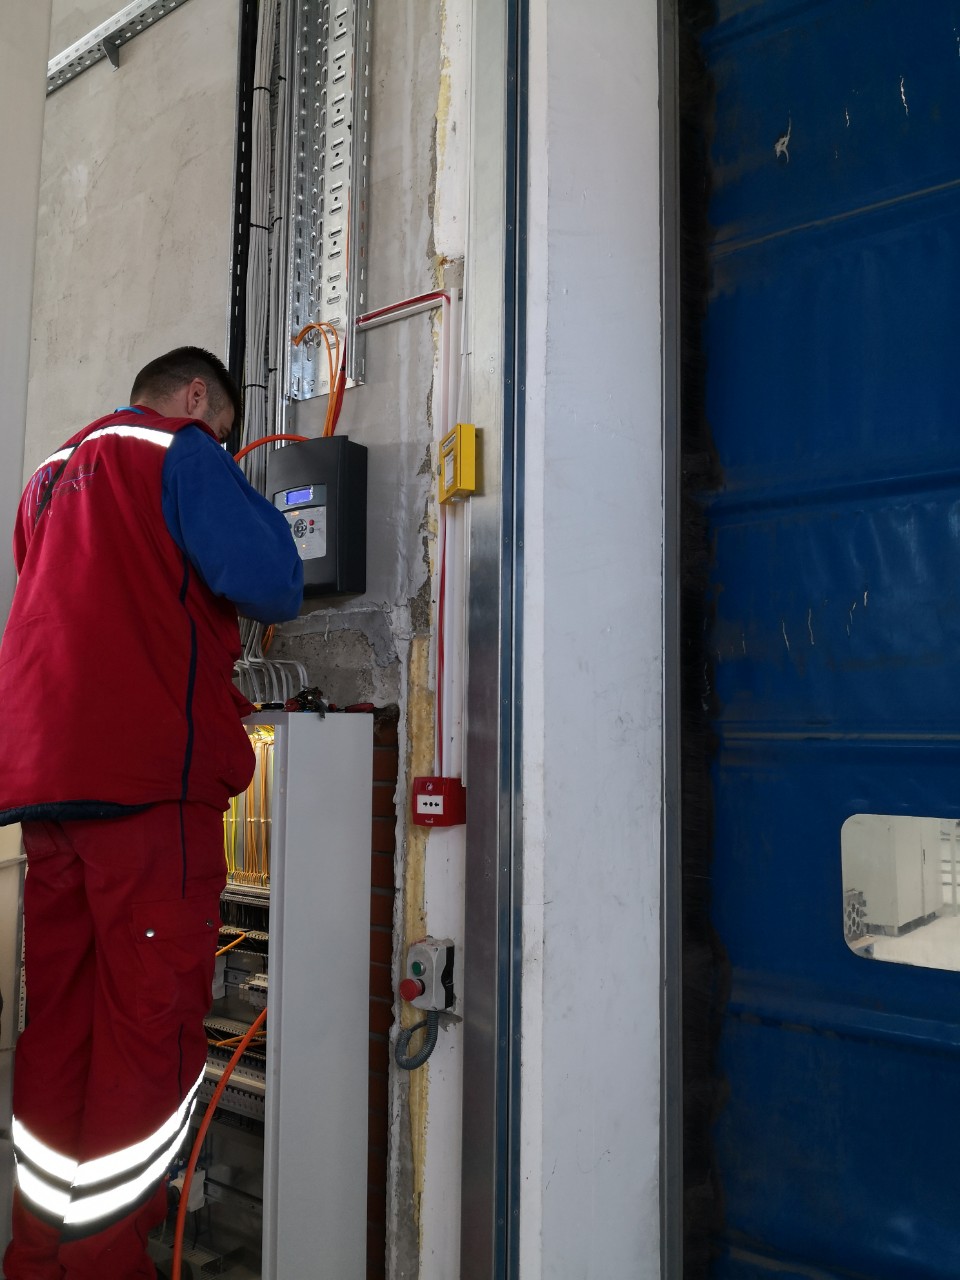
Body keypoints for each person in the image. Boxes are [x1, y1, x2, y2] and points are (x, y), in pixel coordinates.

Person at [0, 347, 303, 1279]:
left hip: (47, 790)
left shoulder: (46, 480)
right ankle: (107, 1267)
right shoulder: (177, 447)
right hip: (146, 785)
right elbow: (274, 580)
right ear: (197, 397)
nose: (222, 446)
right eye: (225, 433)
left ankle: (37, 1257)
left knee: (60, 1029)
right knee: (148, 1033)